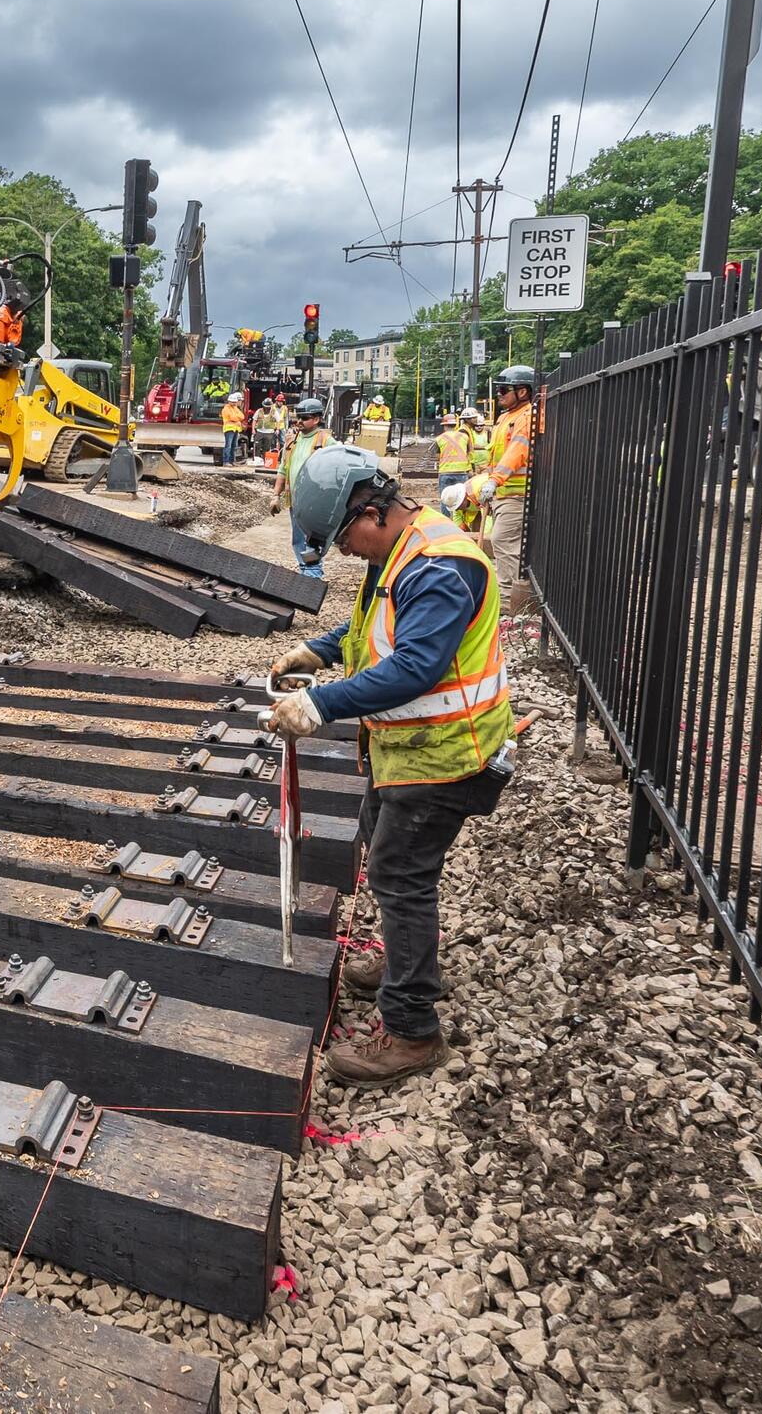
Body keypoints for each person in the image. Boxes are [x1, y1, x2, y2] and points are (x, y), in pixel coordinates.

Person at [266, 443, 513, 1086]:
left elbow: (415, 667)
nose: (344, 552)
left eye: (343, 539)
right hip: (405, 752)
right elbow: (374, 631)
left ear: (370, 510)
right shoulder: (402, 553)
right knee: (390, 861)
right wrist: (316, 654)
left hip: (444, 758)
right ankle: (408, 963)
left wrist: (318, 705)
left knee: (402, 877)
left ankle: (409, 1030)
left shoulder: (437, 565)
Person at [468, 366, 537, 610]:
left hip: (517, 494)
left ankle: (509, 600)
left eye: (503, 389)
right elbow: (496, 455)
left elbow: (517, 452)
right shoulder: (505, 418)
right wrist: (488, 480)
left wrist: (495, 479)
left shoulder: (527, 416)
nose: (499, 394)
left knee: (503, 541)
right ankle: (507, 594)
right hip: (503, 494)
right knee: (505, 543)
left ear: (523, 391)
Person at [267, 395, 338, 577]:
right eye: (298, 417)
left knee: (313, 539)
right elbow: (283, 470)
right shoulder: (292, 441)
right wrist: (276, 495)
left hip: (315, 502)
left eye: (304, 418)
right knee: (298, 539)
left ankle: (313, 572)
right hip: (296, 501)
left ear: (316, 419)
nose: (299, 421)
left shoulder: (326, 441)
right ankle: (305, 569)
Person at [219, 393, 247, 465]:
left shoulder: (235, 408)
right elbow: (232, 417)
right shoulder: (226, 409)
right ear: (229, 401)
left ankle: (232, 461)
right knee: (228, 445)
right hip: (229, 429)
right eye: (233, 402)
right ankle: (226, 461)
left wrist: (236, 418)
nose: (234, 403)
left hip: (236, 429)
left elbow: (242, 416)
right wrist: (236, 419)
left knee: (234, 446)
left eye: (235, 402)